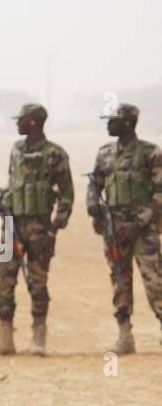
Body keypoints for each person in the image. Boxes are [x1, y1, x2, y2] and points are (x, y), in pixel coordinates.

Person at [0, 104, 74, 357]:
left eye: (21, 120)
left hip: (39, 228)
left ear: (34, 122)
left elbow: (67, 194)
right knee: (4, 280)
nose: (17, 124)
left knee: (37, 282)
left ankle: (38, 336)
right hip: (11, 226)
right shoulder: (16, 150)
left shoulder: (56, 154)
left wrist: (56, 227)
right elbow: (14, 184)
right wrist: (2, 201)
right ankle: (4, 338)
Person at [88, 103, 162, 355]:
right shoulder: (104, 153)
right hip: (115, 227)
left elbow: (159, 193)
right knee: (119, 280)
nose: (108, 124)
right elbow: (95, 183)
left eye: (113, 120)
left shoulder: (151, 153)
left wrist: (138, 223)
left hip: (144, 230)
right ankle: (124, 335)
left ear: (127, 124)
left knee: (155, 281)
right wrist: (93, 203)